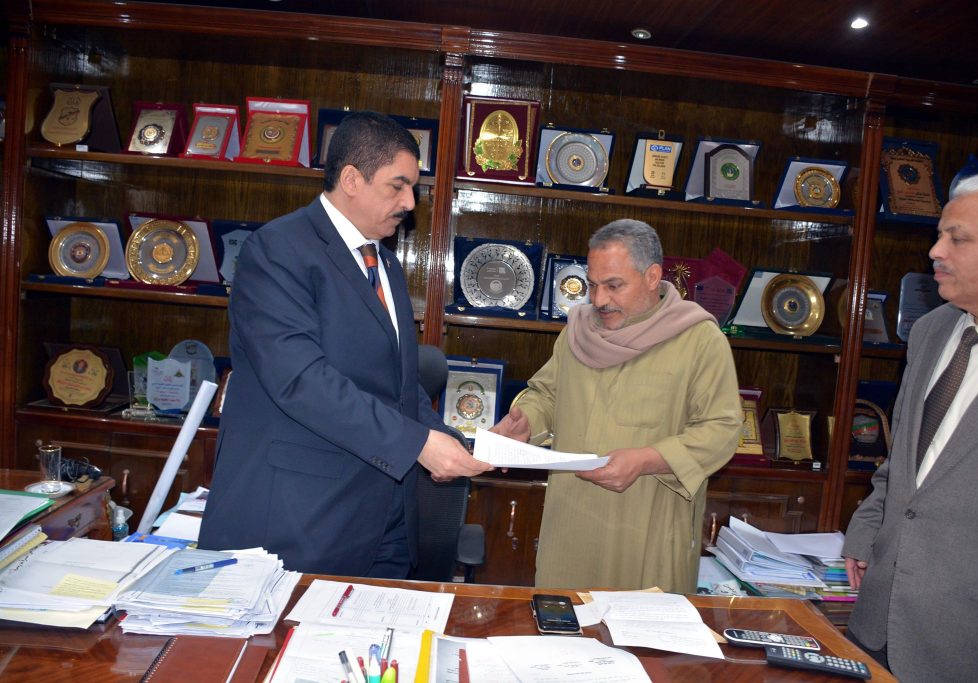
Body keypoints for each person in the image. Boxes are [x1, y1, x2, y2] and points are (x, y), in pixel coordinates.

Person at [199, 112, 491, 577]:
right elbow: (301, 381)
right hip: (304, 519)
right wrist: (418, 444)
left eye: (413, 188)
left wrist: (459, 444)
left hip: (387, 519)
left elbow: (400, 383)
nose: (409, 202)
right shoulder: (278, 250)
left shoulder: (386, 265)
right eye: (398, 186)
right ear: (352, 179)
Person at [491, 219, 742, 593]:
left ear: (652, 276)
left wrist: (647, 459)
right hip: (571, 527)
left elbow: (722, 429)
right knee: (563, 625)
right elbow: (547, 394)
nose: (599, 300)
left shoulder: (699, 340)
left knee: (642, 627)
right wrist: (527, 420)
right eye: (592, 285)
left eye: (614, 285)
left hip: (647, 530)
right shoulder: (578, 331)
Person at [842, 171, 978, 681]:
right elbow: (903, 460)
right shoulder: (930, 330)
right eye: (939, 235)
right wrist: (868, 527)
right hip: (877, 623)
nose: (935, 252)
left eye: (957, 239)